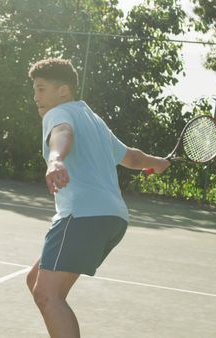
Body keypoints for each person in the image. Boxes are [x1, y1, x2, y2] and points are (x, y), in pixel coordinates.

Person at [26, 58, 170, 337]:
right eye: (35, 90)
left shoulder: (58, 114)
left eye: (41, 89)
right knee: (36, 280)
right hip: (113, 218)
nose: (36, 97)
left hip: (83, 215)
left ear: (63, 91)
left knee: (47, 293)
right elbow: (130, 157)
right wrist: (159, 162)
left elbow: (61, 133)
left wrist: (55, 159)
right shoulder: (92, 118)